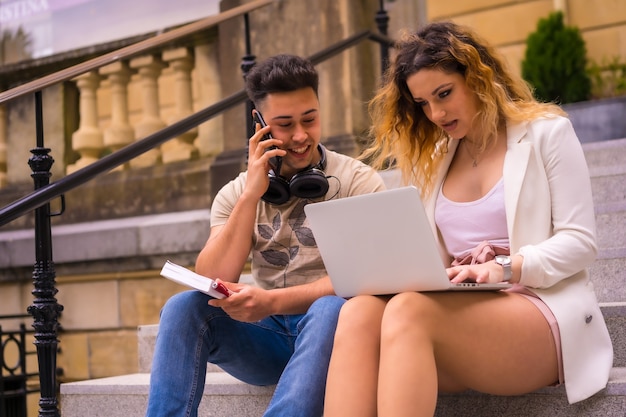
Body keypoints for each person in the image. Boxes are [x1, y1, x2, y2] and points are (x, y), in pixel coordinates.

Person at [323, 21, 613, 417]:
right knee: (358, 312)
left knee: (409, 310)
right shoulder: (436, 157)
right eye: (423, 103)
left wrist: (504, 267)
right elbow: (431, 260)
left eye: (444, 94)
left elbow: (580, 243)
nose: (436, 113)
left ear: (478, 78)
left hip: (540, 308)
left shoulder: (547, 133)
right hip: (460, 312)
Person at [144, 54, 386, 417]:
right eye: (285, 125)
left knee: (331, 307)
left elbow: (369, 277)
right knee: (181, 307)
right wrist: (251, 194)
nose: (301, 136)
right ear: (259, 124)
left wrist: (272, 301)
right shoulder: (236, 193)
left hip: (335, 332)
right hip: (267, 338)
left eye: (310, 119)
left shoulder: (357, 181)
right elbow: (213, 277)